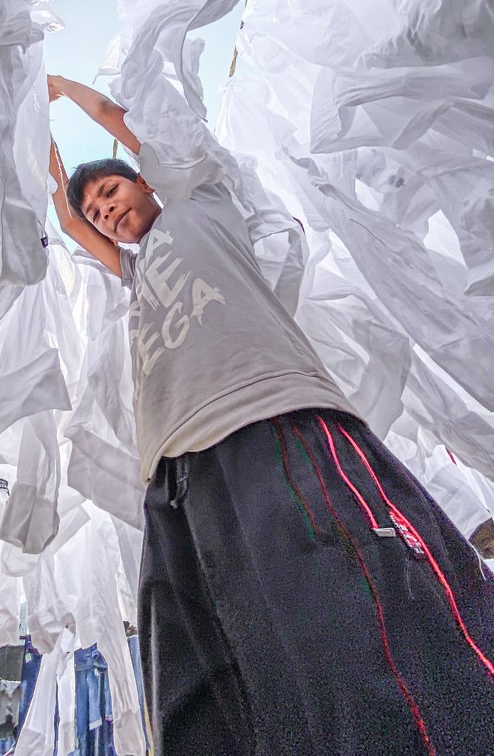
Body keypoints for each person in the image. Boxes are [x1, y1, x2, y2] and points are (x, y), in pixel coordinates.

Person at [47, 74, 494, 755]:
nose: (105, 212)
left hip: (270, 413)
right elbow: (65, 217)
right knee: (209, 664)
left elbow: (121, 117)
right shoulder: (133, 274)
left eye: (111, 192)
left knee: (357, 611)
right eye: (99, 212)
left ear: (145, 180)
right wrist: (20, 102)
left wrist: (58, 86)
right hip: (173, 466)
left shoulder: (203, 205)